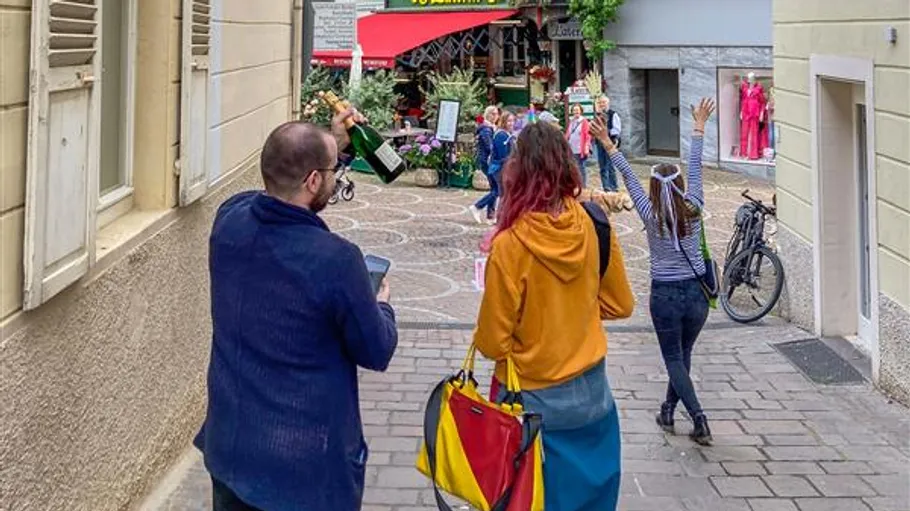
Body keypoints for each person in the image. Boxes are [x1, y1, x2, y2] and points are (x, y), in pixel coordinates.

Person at [194, 110, 399, 511]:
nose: (337, 177)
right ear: (313, 180)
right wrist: (383, 307)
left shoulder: (229, 220)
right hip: (304, 469)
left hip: (231, 448)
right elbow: (376, 350)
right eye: (332, 171)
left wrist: (329, 148)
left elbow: (275, 190)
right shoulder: (337, 260)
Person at [474, 121, 635, 511]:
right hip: (592, 396)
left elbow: (493, 342)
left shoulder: (510, 246)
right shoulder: (595, 223)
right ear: (567, 165)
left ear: (517, 173)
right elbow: (620, 305)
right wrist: (575, 308)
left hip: (528, 405)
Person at [591, 98, 717, 446]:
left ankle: (699, 419)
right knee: (683, 355)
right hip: (696, 295)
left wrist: (606, 143)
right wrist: (699, 126)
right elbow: (695, 168)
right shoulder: (694, 208)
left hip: (664, 295)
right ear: (679, 186)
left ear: (655, 188)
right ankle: (666, 410)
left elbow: (628, 175)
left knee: (674, 358)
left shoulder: (650, 213)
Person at [470, 106, 500, 223]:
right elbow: (489, 147)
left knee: (495, 188)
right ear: (488, 114)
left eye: (497, 113)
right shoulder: (486, 129)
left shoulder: (491, 128)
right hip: (487, 161)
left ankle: (490, 216)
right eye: (493, 113)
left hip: (488, 161)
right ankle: (477, 206)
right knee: (498, 189)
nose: (495, 116)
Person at [487, 111, 517, 217]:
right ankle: (500, 218)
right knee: (503, 194)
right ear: (503, 121)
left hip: (505, 167)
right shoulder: (501, 135)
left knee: (503, 194)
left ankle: (501, 217)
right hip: (500, 168)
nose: (511, 123)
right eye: (509, 121)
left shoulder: (508, 134)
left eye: (513, 121)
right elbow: (502, 155)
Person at [594, 96, 622, 192]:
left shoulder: (613, 114)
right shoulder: (597, 115)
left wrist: (608, 134)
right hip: (599, 143)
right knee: (602, 166)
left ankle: (614, 187)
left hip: (609, 143)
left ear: (607, 103)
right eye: (600, 103)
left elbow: (616, 129)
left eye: (603, 102)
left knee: (610, 166)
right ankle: (606, 187)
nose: (602, 104)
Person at [565, 103, 592, 188]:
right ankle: (576, 184)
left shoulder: (584, 122)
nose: (575, 112)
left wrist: (586, 148)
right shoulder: (572, 121)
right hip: (571, 148)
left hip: (580, 149)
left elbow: (588, 136)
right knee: (573, 168)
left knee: (581, 168)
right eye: (574, 110)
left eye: (577, 110)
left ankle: (583, 185)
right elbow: (568, 134)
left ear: (581, 111)